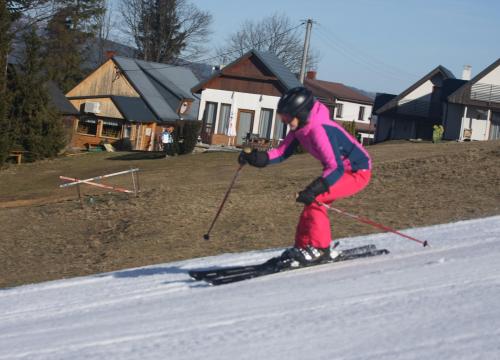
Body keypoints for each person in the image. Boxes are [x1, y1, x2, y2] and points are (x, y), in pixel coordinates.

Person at [238, 87, 372, 266]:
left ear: (301, 114)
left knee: (315, 199)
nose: (285, 122)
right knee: (310, 205)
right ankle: (302, 247)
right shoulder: (300, 128)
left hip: (357, 171)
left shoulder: (319, 129)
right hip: (339, 170)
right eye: (282, 117)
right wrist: (257, 158)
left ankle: (320, 249)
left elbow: (336, 167)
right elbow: (281, 152)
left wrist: (315, 188)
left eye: (287, 117)